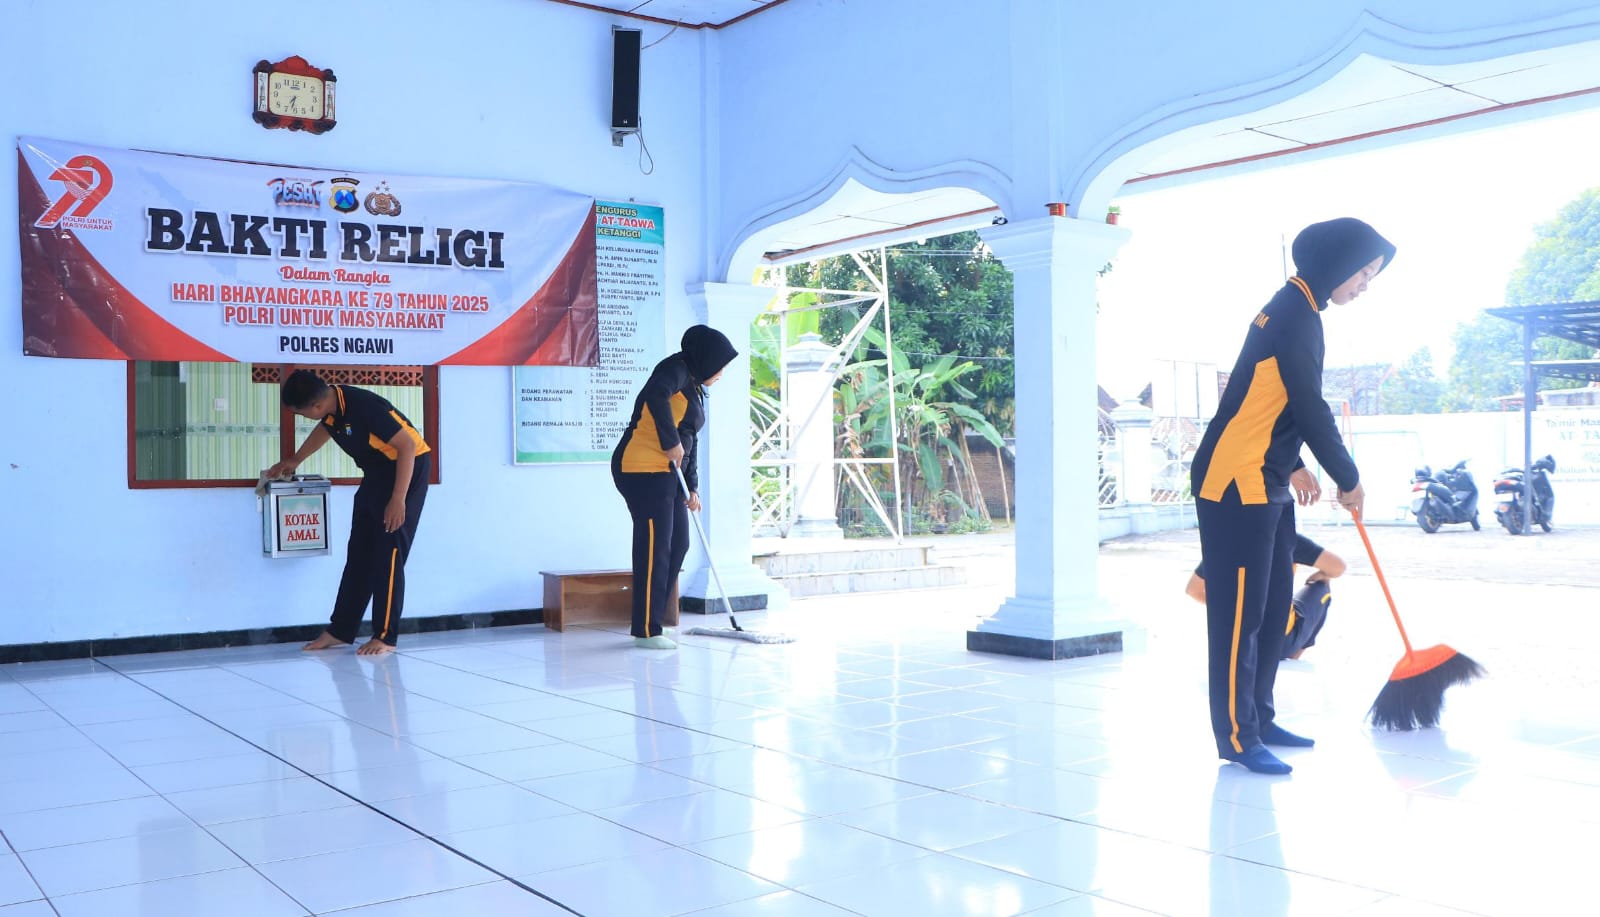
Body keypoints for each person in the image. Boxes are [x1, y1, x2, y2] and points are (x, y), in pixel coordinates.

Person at [1189, 217, 1394, 775]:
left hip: (1267, 476)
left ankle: (1259, 717)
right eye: (1364, 272)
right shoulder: (1295, 314)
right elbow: (1308, 405)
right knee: (1239, 617)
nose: (1366, 284)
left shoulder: (1298, 308)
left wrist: (1296, 463)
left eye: (1372, 275)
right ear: (1337, 262)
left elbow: (1264, 399)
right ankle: (1236, 736)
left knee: (1273, 605)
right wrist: (1348, 477)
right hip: (1236, 480)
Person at [265, 370, 430, 656]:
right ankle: (341, 630)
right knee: (360, 551)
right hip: (376, 473)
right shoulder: (332, 408)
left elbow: (407, 446)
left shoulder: (364, 406)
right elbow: (325, 429)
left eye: (300, 413)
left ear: (316, 406)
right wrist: (295, 459)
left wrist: (398, 499)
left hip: (407, 468)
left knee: (388, 553)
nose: (302, 417)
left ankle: (385, 636)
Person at [612, 325, 738, 650]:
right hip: (641, 469)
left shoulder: (694, 385)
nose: (721, 373)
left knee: (679, 543)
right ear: (706, 358)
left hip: (668, 474)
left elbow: (688, 439)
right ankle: (646, 629)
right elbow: (656, 395)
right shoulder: (675, 369)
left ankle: (654, 617)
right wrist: (669, 442)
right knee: (656, 547)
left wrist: (691, 487)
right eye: (720, 365)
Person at [1186, 531, 1347, 660]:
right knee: (1322, 587)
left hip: (1239, 642)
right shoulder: (1286, 538)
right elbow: (1337, 567)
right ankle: (1296, 653)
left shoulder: (1225, 541)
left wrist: (1232, 609)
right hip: (1278, 642)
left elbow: (1193, 590)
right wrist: (1320, 576)